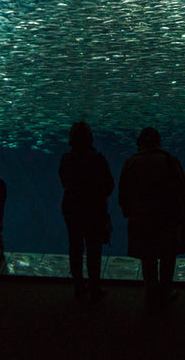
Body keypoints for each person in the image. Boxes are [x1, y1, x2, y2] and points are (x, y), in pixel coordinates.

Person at [118, 126, 185, 312]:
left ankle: (150, 295)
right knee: (168, 256)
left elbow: (123, 195)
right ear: (158, 142)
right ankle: (166, 291)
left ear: (139, 143)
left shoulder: (130, 163)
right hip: (168, 219)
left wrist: (131, 213)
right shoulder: (170, 160)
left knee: (147, 257)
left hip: (141, 220)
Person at [59, 121, 115, 302]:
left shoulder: (66, 159)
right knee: (94, 248)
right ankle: (95, 288)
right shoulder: (97, 158)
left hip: (72, 208)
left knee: (75, 247)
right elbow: (109, 185)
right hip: (94, 208)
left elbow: (64, 181)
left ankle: (78, 287)